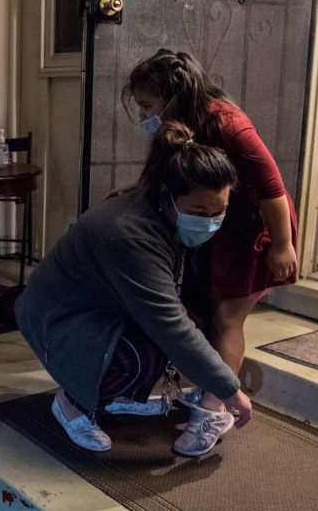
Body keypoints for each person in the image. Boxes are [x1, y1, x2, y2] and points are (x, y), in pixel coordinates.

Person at [15, 122, 252, 455]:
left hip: (104, 309)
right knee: (139, 357)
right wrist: (229, 389)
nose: (210, 221)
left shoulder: (157, 206)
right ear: (168, 197)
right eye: (200, 212)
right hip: (58, 318)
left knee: (197, 319)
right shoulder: (129, 234)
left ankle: (111, 394)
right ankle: (72, 403)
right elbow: (170, 326)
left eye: (220, 212)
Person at [122, 49, 297, 418]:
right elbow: (164, 171)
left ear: (172, 97)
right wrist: (133, 193)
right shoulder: (178, 124)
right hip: (215, 224)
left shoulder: (226, 123)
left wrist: (282, 245)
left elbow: (272, 185)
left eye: (147, 104)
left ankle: (216, 407)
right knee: (208, 307)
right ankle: (209, 389)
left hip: (250, 228)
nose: (143, 114)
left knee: (226, 317)